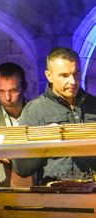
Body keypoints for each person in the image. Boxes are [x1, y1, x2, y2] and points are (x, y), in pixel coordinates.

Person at [14, 47, 96, 184]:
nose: (73, 81)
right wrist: (41, 140)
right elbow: (22, 169)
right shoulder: (34, 111)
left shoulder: (93, 104)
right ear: (49, 76)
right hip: (54, 193)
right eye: (64, 75)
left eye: (76, 73)